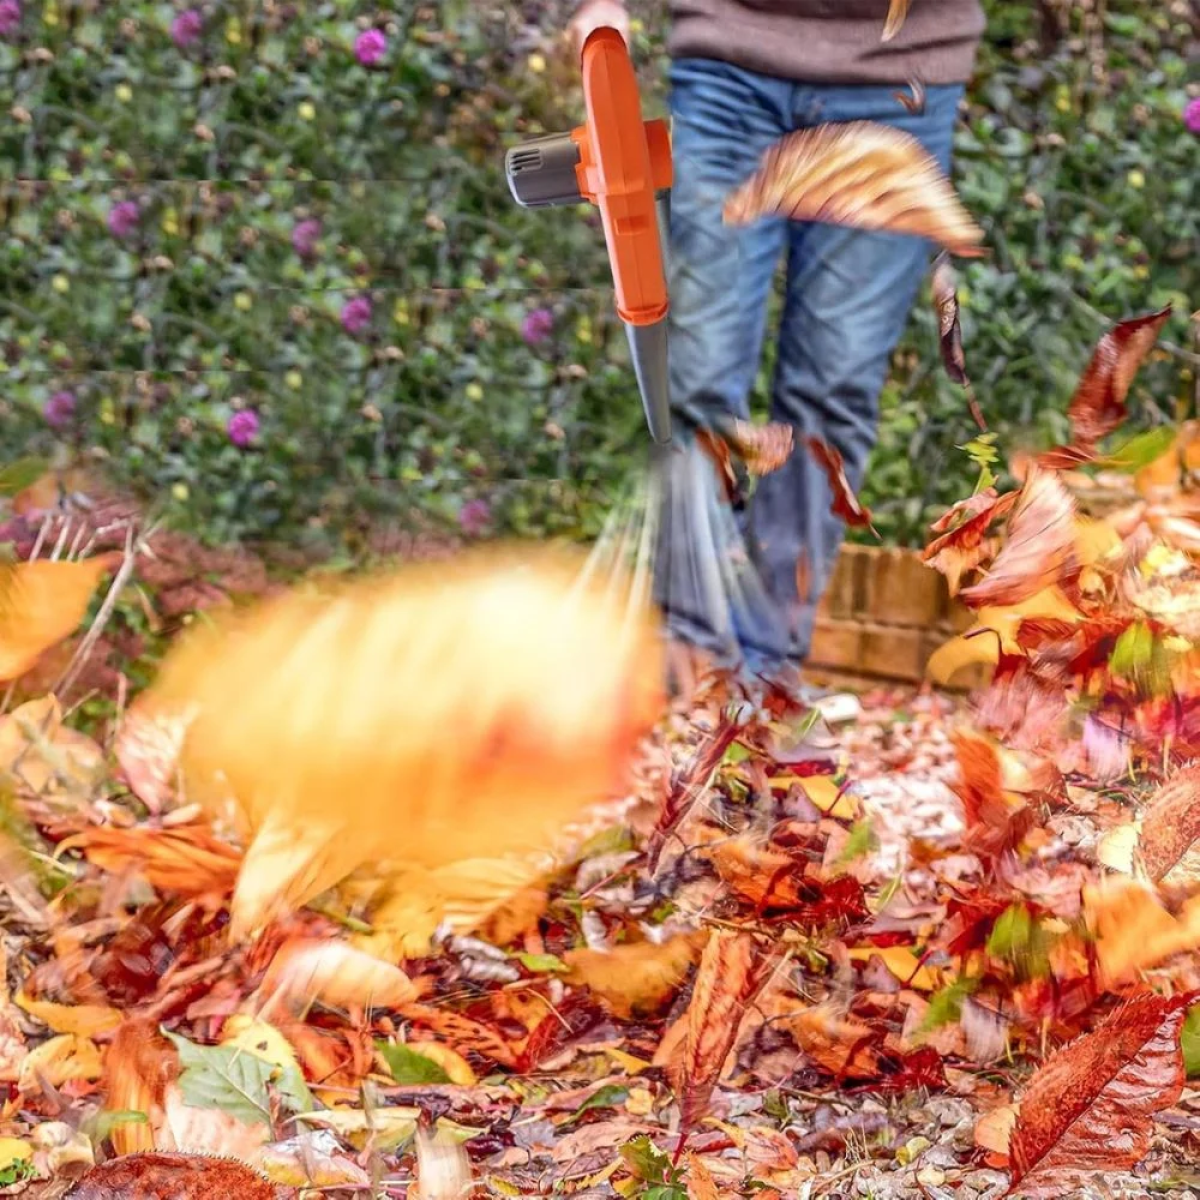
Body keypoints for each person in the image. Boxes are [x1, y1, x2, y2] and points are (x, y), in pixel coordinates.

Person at [567, 0, 986, 700]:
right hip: (732, 58)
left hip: (899, 77)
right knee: (697, 376)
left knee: (834, 386)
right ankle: (691, 665)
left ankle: (762, 673)